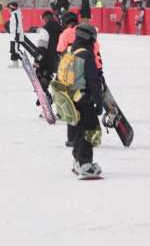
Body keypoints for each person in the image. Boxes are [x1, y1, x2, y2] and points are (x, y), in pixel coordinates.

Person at [55, 24, 103, 178]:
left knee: (77, 129)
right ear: (89, 37)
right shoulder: (86, 54)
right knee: (89, 129)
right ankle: (85, 164)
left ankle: (78, 161)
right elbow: (93, 81)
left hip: (70, 97)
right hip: (83, 98)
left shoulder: (70, 50)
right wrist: (98, 101)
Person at [34, 11, 63, 105]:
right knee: (58, 84)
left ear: (45, 18)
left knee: (40, 79)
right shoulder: (60, 28)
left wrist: (37, 60)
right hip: (59, 60)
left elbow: (42, 47)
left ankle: (46, 98)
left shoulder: (45, 29)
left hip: (47, 60)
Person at [7, 1, 23, 68]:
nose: (8, 10)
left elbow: (17, 26)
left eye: (9, 8)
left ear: (12, 8)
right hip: (13, 35)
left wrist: (17, 35)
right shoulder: (13, 14)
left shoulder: (16, 14)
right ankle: (15, 63)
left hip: (16, 35)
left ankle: (25, 62)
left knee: (16, 50)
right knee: (13, 50)